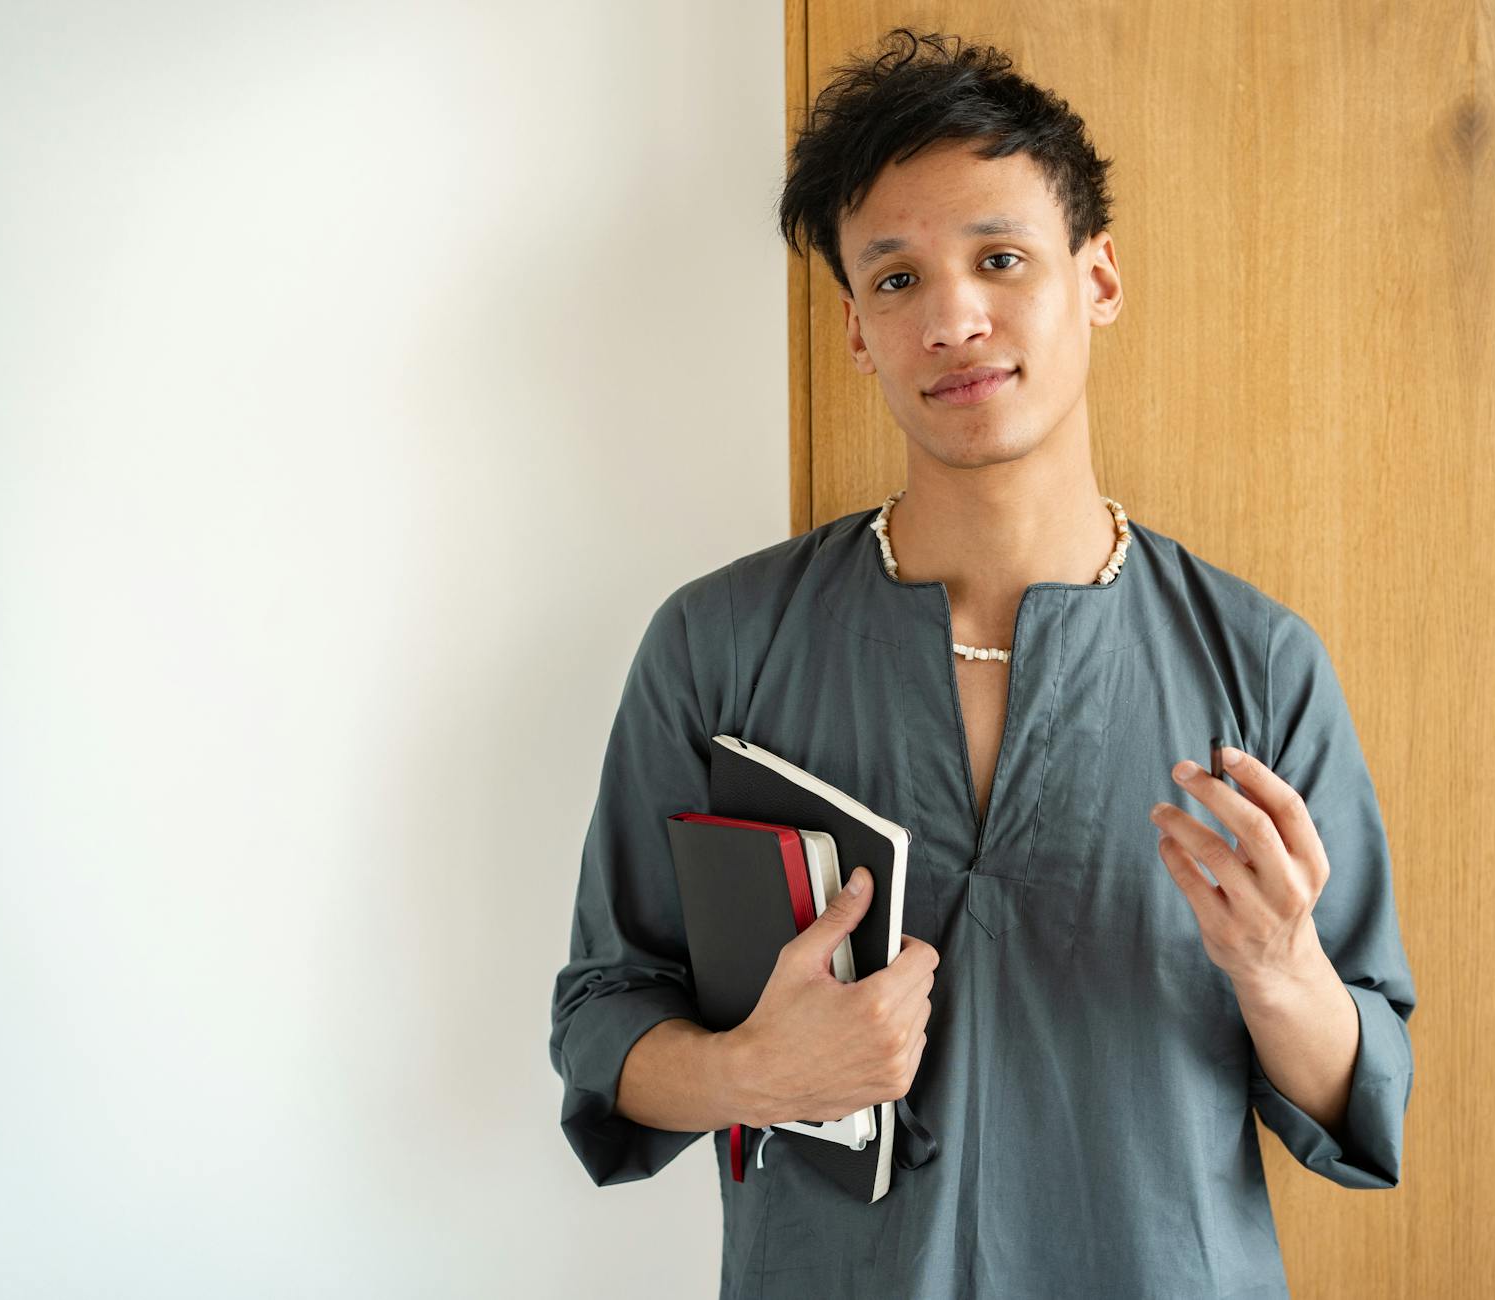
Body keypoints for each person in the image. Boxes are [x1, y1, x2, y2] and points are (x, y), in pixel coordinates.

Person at [548, 27, 1415, 1299]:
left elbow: (1359, 1090)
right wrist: (753, 1072)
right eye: (895, 282)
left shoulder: (1260, 665)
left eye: (1000, 259)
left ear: (1098, 278)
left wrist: (1283, 973)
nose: (953, 316)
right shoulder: (718, 645)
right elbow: (599, 1013)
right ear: (856, 330)